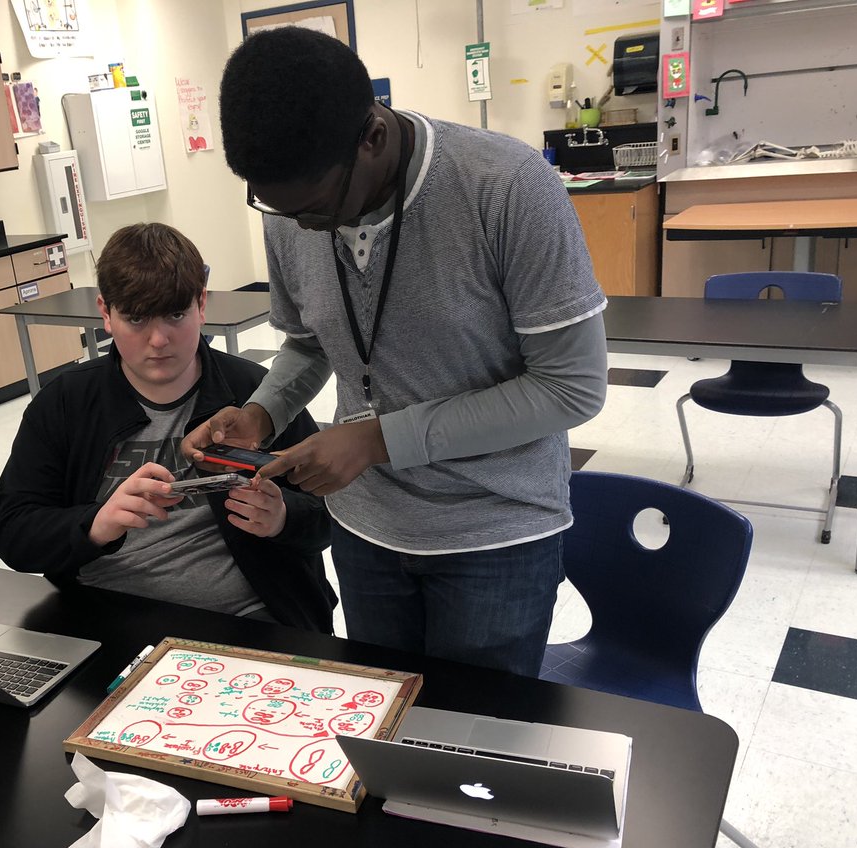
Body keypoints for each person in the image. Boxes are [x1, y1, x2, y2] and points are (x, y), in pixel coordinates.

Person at [184, 27, 608, 677]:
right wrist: (262, 412)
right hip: (366, 532)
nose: (303, 228)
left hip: (494, 533)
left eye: (318, 209)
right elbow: (308, 344)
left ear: (373, 137)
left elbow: (571, 386)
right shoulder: (293, 206)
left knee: (472, 746)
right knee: (386, 733)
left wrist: (376, 440)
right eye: (279, 211)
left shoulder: (507, 186)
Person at [0, 222, 336, 632]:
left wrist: (282, 518)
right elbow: (15, 537)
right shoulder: (65, 404)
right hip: (106, 620)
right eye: (136, 319)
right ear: (105, 313)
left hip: (246, 618)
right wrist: (97, 524)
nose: (159, 340)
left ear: (201, 304)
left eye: (176, 314)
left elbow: (329, 516)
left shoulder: (258, 397)